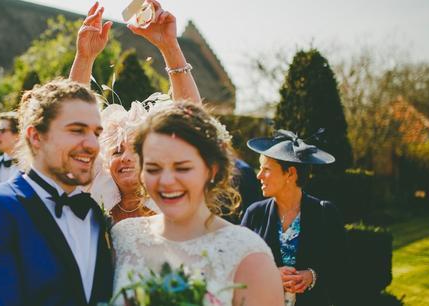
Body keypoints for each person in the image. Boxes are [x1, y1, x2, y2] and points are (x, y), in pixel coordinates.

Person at [111, 102, 285, 306]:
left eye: (182, 168)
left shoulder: (248, 254)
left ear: (211, 170)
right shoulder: (122, 237)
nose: (166, 181)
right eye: (153, 168)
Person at [0, 78, 113, 305]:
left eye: (96, 133)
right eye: (77, 130)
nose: (92, 144)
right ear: (36, 137)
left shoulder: (92, 213)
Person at [70, 0, 201, 223]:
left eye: (138, 149)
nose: (127, 158)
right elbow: (73, 121)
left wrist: (169, 46)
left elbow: (191, 119)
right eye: (117, 152)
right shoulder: (97, 195)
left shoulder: (171, 195)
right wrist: (85, 57)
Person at [241, 129, 348, 306]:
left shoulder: (325, 214)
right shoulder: (254, 214)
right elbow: (237, 266)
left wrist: (312, 276)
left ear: (290, 173)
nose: (259, 175)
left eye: (266, 169)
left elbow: (341, 267)